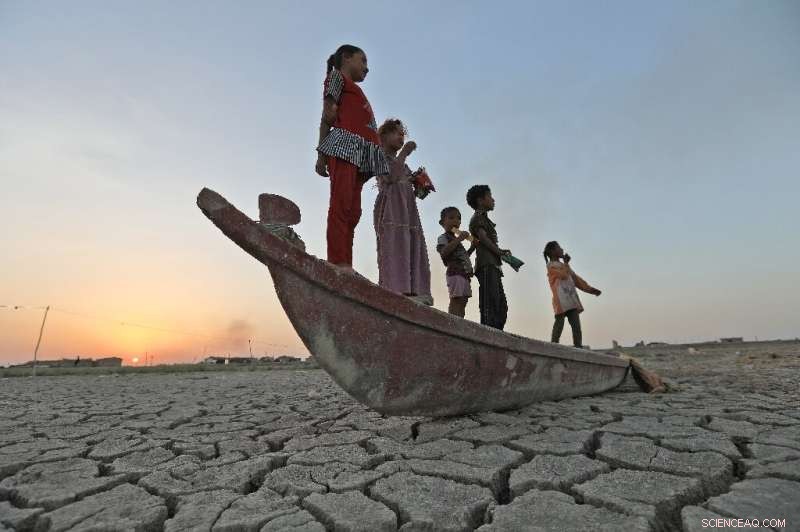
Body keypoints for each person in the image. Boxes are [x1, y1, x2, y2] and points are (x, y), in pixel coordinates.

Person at [316, 44, 388, 271]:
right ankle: (337, 261)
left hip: (360, 154)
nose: (366, 68)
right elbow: (327, 115)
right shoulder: (336, 78)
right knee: (341, 204)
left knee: (353, 211)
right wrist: (321, 153)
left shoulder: (355, 90)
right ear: (346, 58)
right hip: (345, 147)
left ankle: (346, 262)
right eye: (362, 60)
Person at [373, 118, 432, 304]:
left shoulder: (403, 164)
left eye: (402, 133)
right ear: (383, 136)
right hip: (392, 211)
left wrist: (420, 184)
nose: (401, 136)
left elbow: (414, 190)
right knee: (395, 245)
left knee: (411, 244)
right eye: (397, 133)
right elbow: (390, 176)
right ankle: (395, 290)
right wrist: (405, 152)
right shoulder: (379, 156)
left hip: (408, 213)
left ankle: (415, 291)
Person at [543, 241, 602, 348]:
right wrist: (566, 263)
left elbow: (577, 281)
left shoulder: (565, 266)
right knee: (558, 326)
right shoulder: (550, 266)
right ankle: (552, 348)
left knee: (576, 328)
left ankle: (578, 348)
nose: (562, 250)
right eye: (559, 248)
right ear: (552, 252)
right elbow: (563, 275)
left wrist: (591, 290)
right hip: (560, 302)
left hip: (571, 300)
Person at [467, 185, 509, 329]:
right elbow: (483, 239)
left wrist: (499, 251)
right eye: (490, 196)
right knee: (490, 305)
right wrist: (498, 251)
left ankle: (496, 335)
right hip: (486, 265)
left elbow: (484, 241)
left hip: (493, 265)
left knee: (500, 306)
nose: (493, 199)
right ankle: (488, 335)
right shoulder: (477, 218)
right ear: (480, 200)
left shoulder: (484, 219)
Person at [436, 207, 474, 317]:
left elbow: (463, 257)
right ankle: (452, 322)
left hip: (465, 274)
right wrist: (459, 239)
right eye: (451, 218)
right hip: (455, 273)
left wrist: (472, 247)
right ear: (442, 223)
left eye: (458, 218)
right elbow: (444, 252)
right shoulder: (443, 237)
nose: (456, 221)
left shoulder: (457, 241)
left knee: (463, 301)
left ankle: (460, 323)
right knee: (456, 300)